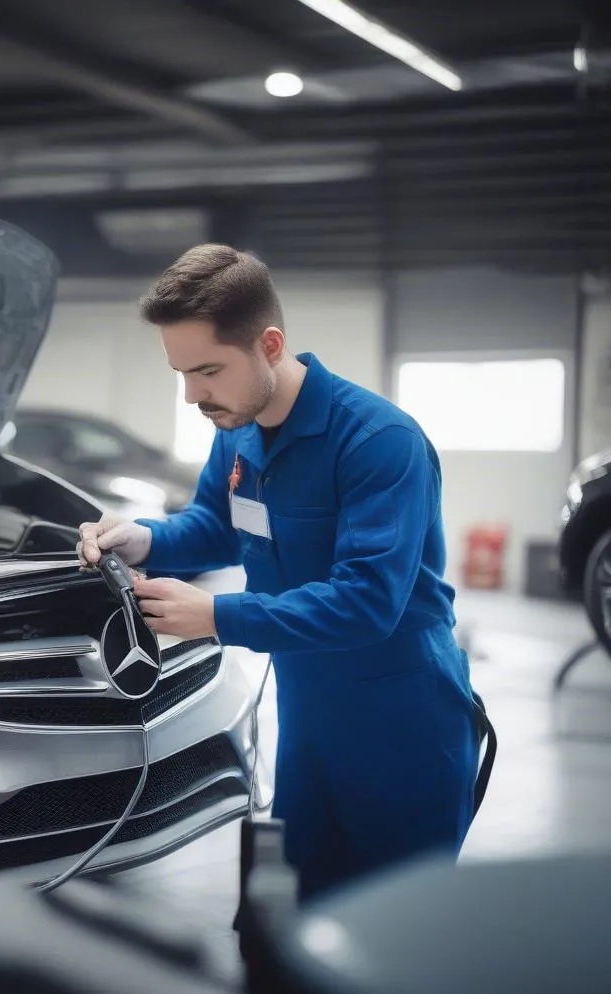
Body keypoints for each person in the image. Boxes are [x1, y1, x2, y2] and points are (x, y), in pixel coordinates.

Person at [77, 244, 481, 901]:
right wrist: (143, 540)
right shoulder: (236, 433)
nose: (192, 396)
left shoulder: (379, 443)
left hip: (400, 719)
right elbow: (217, 526)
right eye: (180, 373)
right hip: (308, 711)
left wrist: (217, 617)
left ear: (269, 344)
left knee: (398, 926)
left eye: (207, 371)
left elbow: (368, 601)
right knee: (300, 915)